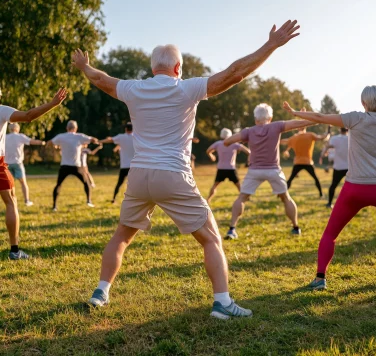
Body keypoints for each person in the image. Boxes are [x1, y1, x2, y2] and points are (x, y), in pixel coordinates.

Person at [72, 19, 300, 319]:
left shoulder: (133, 89)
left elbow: (101, 79)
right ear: (178, 68)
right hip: (173, 175)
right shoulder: (186, 89)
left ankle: (100, 292)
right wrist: (270, 45)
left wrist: (84, 68)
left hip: (139, 176)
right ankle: (222, 303)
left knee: (121, 237)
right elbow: (234, 73)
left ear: (153, 68)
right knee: (211, 239)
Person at [282, 85, 376, 290]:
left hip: (355, 188)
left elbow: (320, 116)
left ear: (363, 103)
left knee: (330, 234)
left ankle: (320, 279)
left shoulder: (356, 118)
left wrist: (295, 113)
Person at [0, 81, 67, 259]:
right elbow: (29, 116)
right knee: (11, 202)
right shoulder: (0, 110)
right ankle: (14, 251)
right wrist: (53, 104)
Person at [224, 103, 315, 240]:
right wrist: (303, 116)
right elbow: (301, 124)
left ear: (256, 119)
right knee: (286, 198)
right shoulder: (276, 126)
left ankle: (232, 230)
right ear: (270, 117)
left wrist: (243, 137)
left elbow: (227, 142)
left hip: (254, 171)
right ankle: (296, 227)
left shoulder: (249, 131)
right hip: (274, 170)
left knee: (242, 198)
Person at [0, 123, 46, 207]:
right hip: (17, 163)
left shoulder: (5, 137)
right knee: (23, 183)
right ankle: (27, 201)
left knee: (2, 184)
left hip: (7, 164)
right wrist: (42, 142)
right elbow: (32, 141)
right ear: (17, 129)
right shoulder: (20, 136)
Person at [49, 120, 99, 211]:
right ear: (75, 128)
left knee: (58, 185)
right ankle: (89, 201)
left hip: (64, 166)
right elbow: (92, 139)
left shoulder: (61, 136)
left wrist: (55, 147)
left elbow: (50, 142)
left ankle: (54, 206)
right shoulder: (79, 136)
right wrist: (96, 141)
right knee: (86, 183)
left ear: (67, 128)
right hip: (76, 166)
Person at [283, 124, 331, 197]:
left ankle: (282, 195)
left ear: (297, 129)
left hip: (298, 162)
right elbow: (323, 138)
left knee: (290, 179)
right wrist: (329, 130)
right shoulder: (310, 135)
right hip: (307, 162)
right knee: (315, 178)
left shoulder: (294, 138)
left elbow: (284, 141)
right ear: (305, 127)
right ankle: (321, 194)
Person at [206, 128, 250, 204]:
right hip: (231, 169)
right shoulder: (235, 144)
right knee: (239, 185)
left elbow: (208, 150)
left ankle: (208, 199)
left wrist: (211, 156)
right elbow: (248, 152)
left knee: (215, 185)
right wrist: (249, 160)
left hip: (221, 168)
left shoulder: (218, 143)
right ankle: (245, 198)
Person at [99, 122, 135, 203]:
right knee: (135, 184)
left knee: (119, 183)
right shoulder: (136, 137)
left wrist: (99, 141)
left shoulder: (121, 137)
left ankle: (114, 198)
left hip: (124, 166)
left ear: (126, 129)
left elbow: (109, 140)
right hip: (134, 166)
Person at [319, 128, 349, 208]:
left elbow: (328, 146)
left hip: (338, 167)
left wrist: (322, 155)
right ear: (348, 130)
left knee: (333, 185)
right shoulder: (351, 138)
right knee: (353, 186)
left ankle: (329, 203)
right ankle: (353, 203)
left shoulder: (335, 139)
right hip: (350, 167)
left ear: (339, 130)